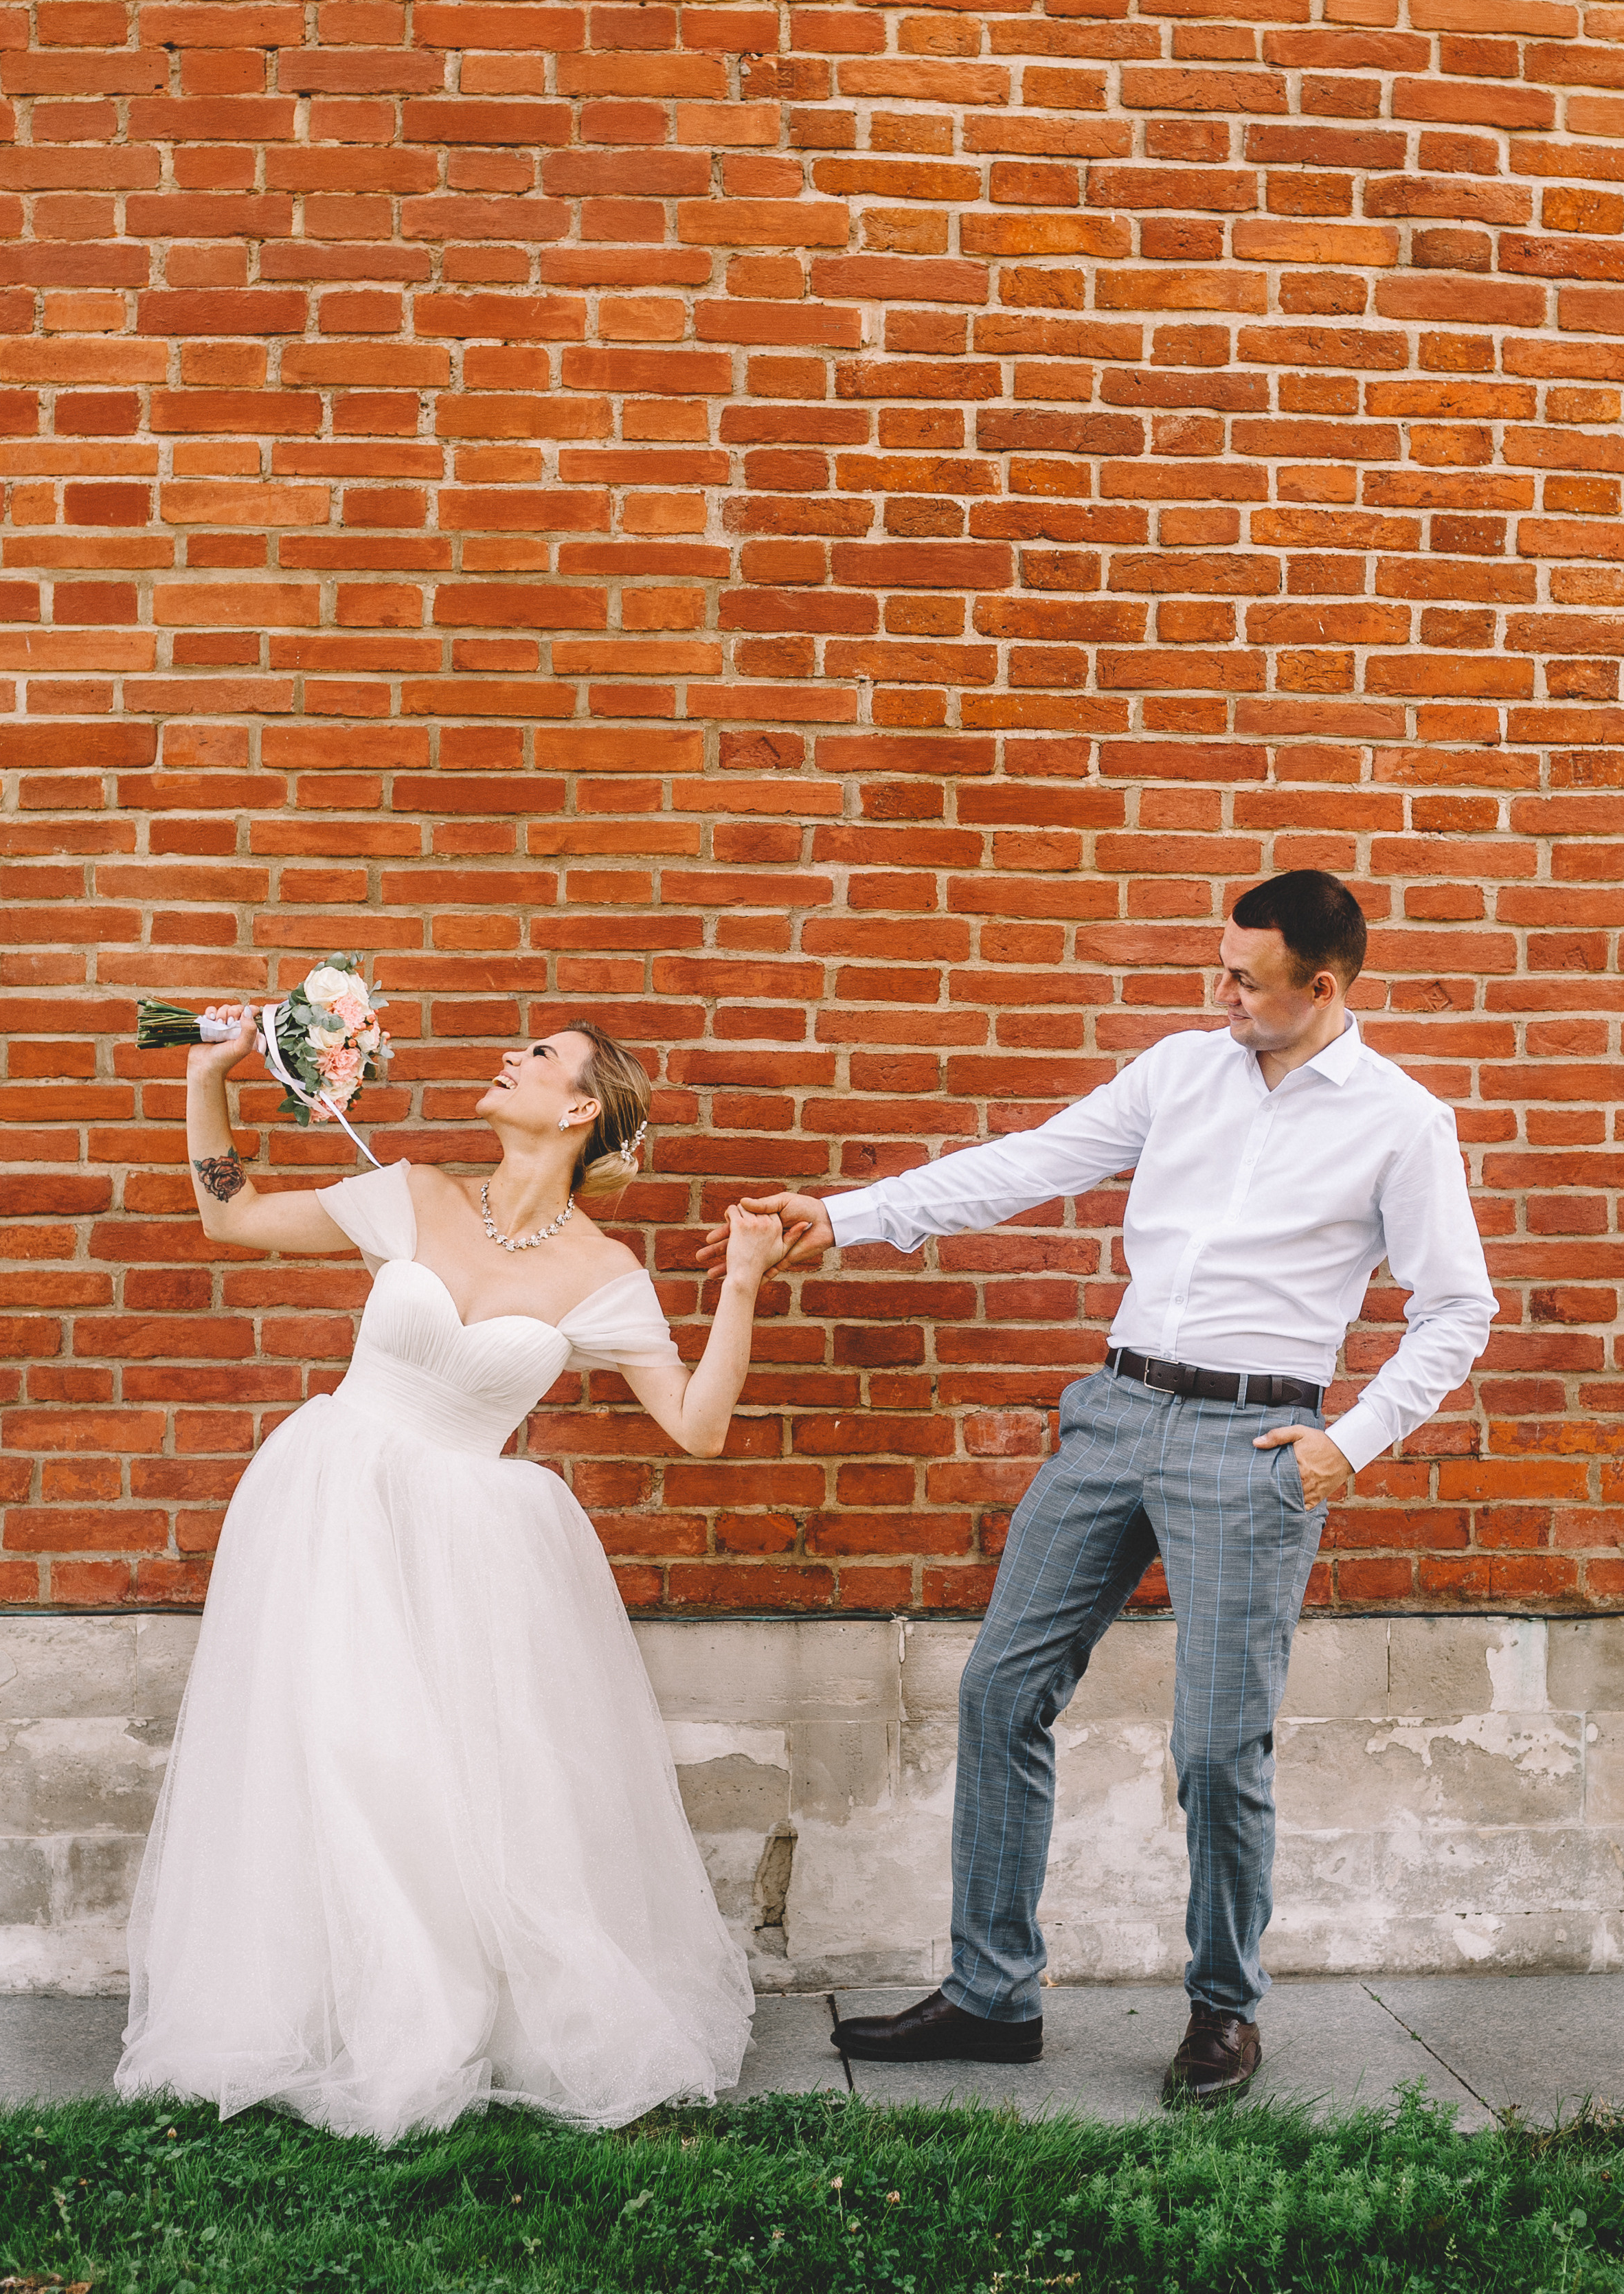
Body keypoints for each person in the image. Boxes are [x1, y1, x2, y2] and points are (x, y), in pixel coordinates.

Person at [703, 872, 1497, 2105]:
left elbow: (1458, 1307)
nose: (1217, 991)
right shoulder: (1181, 1071)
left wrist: (1355, 1437)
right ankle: (990, 1994)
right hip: (1114, 1415)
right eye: (1218, 966)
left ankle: (1222, 2012)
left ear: (1321, 987)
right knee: (1000, 1689)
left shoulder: (1401, 1121)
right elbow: (1028, 1164)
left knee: (1218, 1745)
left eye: (1243, 977)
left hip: (1253, 1444)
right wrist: (848, 1215)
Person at [117, 1008, 798, 2142]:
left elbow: (695, 1429)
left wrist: (741, 1285)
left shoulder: (603, 1272)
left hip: (473, 1539)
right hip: (333, 1497)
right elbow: (229, 1216)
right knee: (338, 1749)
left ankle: (447, 2011)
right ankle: (335, 2009)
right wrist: (208, 1080)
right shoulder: (413, 1192)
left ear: (581, 1109)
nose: (508, 1057)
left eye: (537, 1056)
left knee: (442, 1772)